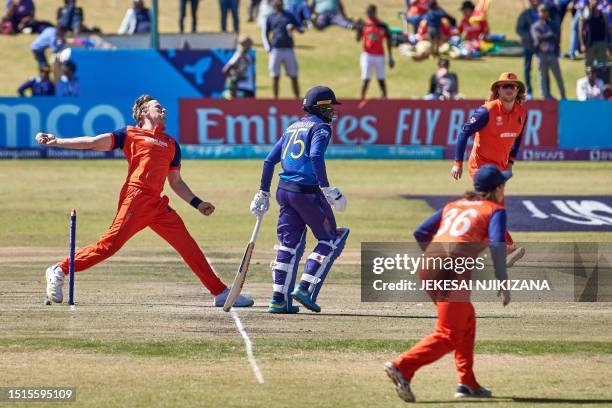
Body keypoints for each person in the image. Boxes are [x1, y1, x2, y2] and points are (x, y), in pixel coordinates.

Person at [36, 95, 254, 309]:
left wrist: (197, 203)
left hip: (157, 205)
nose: (164, 110)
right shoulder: (130, 133)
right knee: (107, 247)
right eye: (158, 107)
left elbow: (176, 182)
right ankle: (59, 269)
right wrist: (58, 141)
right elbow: (93, 143)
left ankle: (220, 292)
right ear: (143, 113)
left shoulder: (171, 144)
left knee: (188, 245)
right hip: (136, 199)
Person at [384, 164, 512, 403]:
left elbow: (420, 232)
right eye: (504, 185)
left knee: (466, 319)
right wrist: (502, 280)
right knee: (449, 334)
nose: (505, 189)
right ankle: (403, 366)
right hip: (451, 271)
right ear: (496, 189)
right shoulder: (495, 209)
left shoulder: (454, 205)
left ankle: (467, 382)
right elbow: (496, 244)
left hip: (428, 265)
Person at [250, 86, 349, 314]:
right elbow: (314, 155)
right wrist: (327, 188)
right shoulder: (321, 128)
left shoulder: (293, 126)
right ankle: (304, 287)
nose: (332, 111)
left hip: (283, 191)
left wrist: (263, 192)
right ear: (321, 107)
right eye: (330, 106)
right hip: (306, 192)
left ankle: (277, 299)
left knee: (288, 245)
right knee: (330, 239)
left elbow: (268, 161)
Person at [451, 72, 527, 268]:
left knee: (492, 208)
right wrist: (457, 162)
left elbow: (517, 139)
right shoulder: (486, 111)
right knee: (492, 206)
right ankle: (504, 247)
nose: (509, 89)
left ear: (517, 90)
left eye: (512, 86)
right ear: (498, 90)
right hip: (480, 167)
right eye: (504, 86)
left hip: (499, 170)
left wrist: (510, 161)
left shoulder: (521, 113)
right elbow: (464, 133)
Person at [265, 0, 303, 99]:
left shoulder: (289, 15)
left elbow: (301, 29)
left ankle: (297, 98)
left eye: (280, 3)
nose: (278, 4)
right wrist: (268, 47)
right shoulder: (270, 16)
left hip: (288, 48)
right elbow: (265, 32)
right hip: (276, 49)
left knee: (293, 75)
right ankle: (275, 99)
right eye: (276, 3)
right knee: (275, 76)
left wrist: (294, 28)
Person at [357, 4, 394, 99]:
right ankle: (361, 98)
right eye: (368, 13)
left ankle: (384, 98)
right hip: (367, 54)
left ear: (375, 12)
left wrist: (390, 56)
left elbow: (388, 41)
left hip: (379, 56)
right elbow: (358, 39)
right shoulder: (364, 24)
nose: (369, 15)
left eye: (371, 13)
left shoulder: (382, 25)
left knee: (381, 79)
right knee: (365, 78)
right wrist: (358, 28)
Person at [531, 4, 566, 99]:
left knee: (558, 76)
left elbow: (556, 38)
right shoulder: (535, 26)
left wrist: (545, 37)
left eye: (545, 11)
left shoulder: (553, 25)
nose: (544, 14)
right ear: (538, 13)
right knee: (542, 77)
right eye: (542, 11)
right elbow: (537, 39)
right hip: (541, 55)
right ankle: (544, 97)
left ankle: (563, 96)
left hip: (552, 54)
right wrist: (549, 35)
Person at [516, 0, 539, 99]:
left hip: (540, 46)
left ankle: (545, 92)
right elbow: (519, 29)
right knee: (527, 68)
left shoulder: (543, 13)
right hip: (528, 46)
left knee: (542, 70)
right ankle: (529, 91)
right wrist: (529, 36)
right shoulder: (525, 14)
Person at [580, 0, 610, 67]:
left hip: (601, 43)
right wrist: (582, 44)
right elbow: (581, 30)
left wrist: (609, 45)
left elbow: (607, 31)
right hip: (589, 44)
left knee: (602, 66)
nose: (594, 3)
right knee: (589, 67)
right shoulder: (585, 15)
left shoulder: (603, 15)